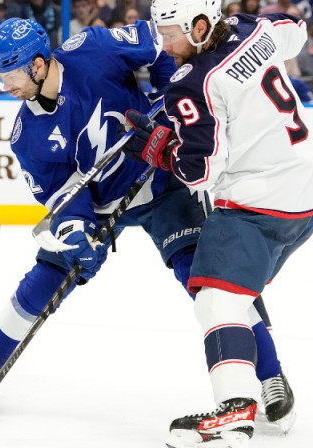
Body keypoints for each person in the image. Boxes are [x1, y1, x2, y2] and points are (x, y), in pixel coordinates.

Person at [0, 16, 296, 438]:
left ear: (37, 65)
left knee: (212, 279)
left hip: (160, 179)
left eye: (9, 73)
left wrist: (168, 92)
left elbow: (162, 47)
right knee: (48, 273)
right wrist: (77, 231)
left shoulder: (94, 48)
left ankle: (270, 377)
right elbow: (65, 195)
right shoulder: (26, 136)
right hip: (102, 204)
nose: (3, 85)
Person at [120, 2, 313, 446]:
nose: (163, 45)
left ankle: (235, 411)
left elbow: (200, 173)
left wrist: (159, 150)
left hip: (257, 203)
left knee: (214, 302)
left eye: (169, 34)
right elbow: (295, 31)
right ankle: (265, 390)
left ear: (200, 26)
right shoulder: (255, 28)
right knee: (232, 293)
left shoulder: (191, 82)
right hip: (302, 192)